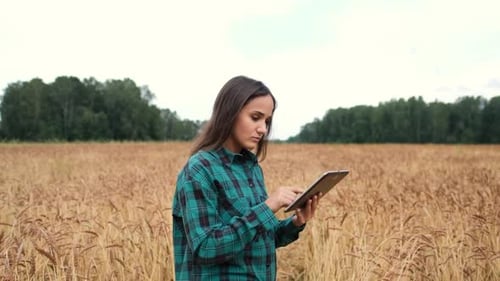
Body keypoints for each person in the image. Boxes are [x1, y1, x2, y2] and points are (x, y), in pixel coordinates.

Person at [171, 75, 321, 280]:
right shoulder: (200, 170)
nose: (263, 129)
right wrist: (268, 206)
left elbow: (258, 238)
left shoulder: (251, 168)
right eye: (255, 117)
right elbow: (206, 247)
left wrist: (295, 223)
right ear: (229, 113)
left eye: (267, 121)